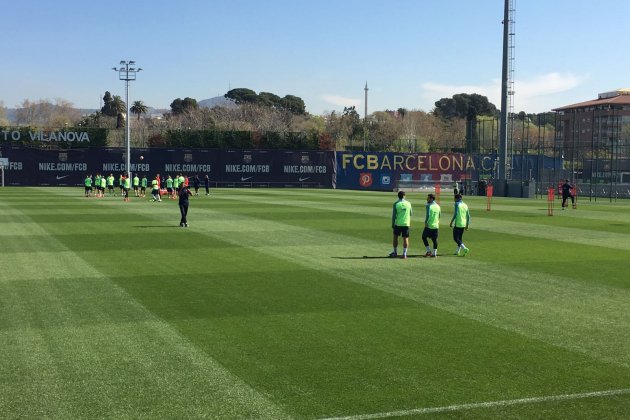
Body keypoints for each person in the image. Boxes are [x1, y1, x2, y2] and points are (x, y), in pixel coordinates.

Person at [389, 190, 413, 259]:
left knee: (395, 237)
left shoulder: (396, 204)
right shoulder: (408, 203)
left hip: (398, 224)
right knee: (405, 239)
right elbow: (411, 213)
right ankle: (404, 254)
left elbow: (394, 216)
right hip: (406, 224)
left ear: (398, 196)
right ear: (404, 196)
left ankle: (395, 252)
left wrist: (393, 224)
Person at [422, 193, 441, 257]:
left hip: (429, 225)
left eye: (428, 198)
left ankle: (429, 251)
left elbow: (428, 215)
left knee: (424, 237)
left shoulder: (428, 206)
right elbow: (439, 215)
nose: (427, 199)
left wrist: (426, 222)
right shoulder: (438, 206)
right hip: (436, 225)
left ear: (431, 199)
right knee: (434, 240)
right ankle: (434, 253)